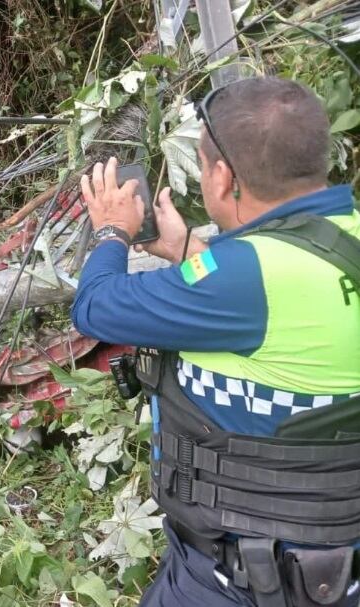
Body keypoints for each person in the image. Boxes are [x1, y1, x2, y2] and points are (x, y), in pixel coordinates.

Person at [71, 76, 360, 607]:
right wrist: (186, 249)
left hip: (242, 577)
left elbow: (96, 307)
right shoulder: (342, 238)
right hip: (336, 559)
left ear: (222, 177)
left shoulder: (243, 277)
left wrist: (112, 228)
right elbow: (276, 307)